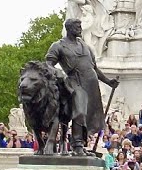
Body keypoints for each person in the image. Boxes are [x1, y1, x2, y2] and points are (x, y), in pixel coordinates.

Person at [46, 18, 120, 156]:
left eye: (80, 26)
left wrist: (108, 82)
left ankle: (81, 145)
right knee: (79, 112)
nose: (80, 29)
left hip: (91, 84)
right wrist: (58, 73)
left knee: (89, 115)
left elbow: (95, 69)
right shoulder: (58, 46)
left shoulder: (86, 46)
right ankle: (77, 145)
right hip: (75, 81)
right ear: (69, 28)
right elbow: (49, 64)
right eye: (77, 26)